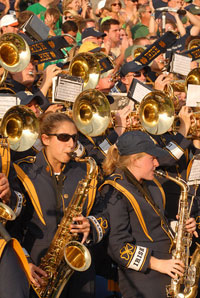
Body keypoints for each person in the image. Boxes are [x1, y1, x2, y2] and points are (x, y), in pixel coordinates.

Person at [12, 112, 103, 298]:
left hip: (80, 273)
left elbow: (103, 213)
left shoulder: (85, 170)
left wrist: (92, 224)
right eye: (64, 137)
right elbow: (13, 227)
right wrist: (25, 262)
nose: (71, 144)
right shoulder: (23, 171)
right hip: (39, 270)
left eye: (75, 138)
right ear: (45, 139)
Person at [98, 130, 197, 298]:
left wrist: (179, 226)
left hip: (167, 268)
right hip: (143, 279)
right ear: (135, 160)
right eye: (152, 158)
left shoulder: (150, 183)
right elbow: (118, 248)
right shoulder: (115, 192)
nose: (157, 163)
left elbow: (155, 222)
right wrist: (159, 264)